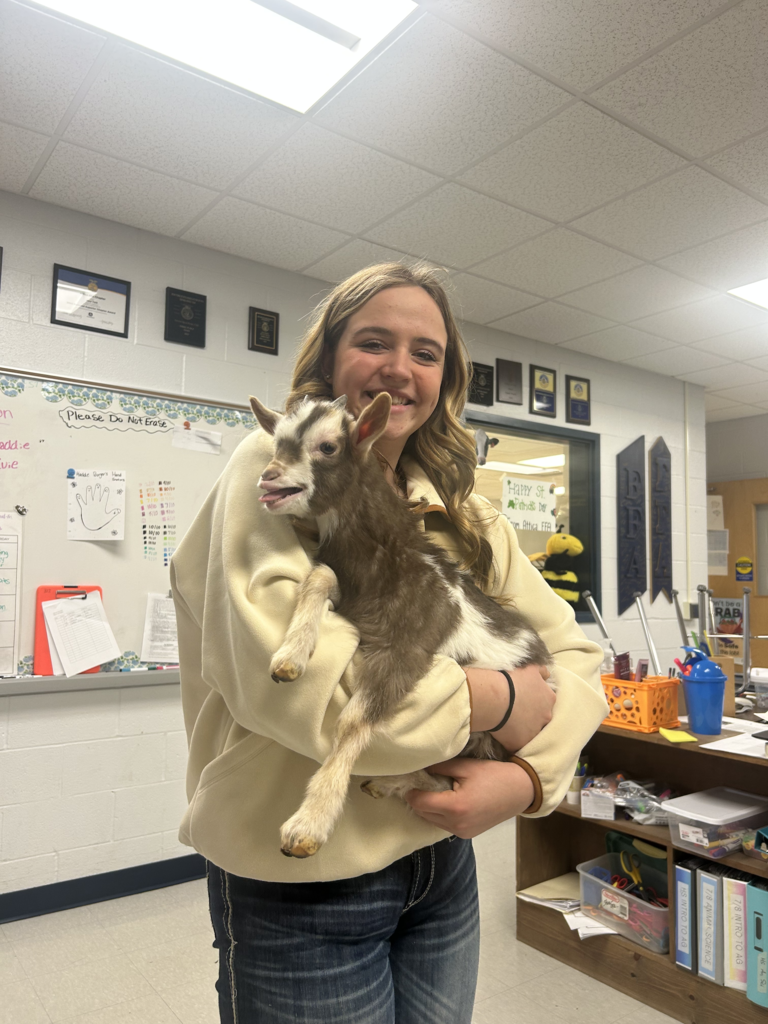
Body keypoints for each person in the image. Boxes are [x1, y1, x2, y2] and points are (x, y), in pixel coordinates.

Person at [171, 262, 607, 1024]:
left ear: (446, 375)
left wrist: (530, 779)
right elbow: (316, 694)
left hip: (441, 863)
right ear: (330, 359)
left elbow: (576, 660)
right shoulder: (271, 468)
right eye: (374, 341)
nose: (400, 369)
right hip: (300, 881)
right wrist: (494, 695)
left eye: (426, 352)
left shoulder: (467, 513)